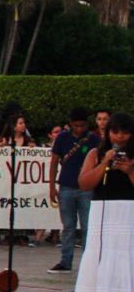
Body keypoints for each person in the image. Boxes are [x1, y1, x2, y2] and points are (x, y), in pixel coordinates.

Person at [74, 112, 134, 292]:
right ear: (108, 133)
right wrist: (105, 162)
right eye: (115, 131)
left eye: (125, 132)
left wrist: (129, 170)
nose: (120, 136)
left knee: (128, 262)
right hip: (104, 215)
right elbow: (85, 183)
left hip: (129, 214)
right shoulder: (95, 153)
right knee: (106, 266)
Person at [48, 108, 101, 274]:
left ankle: (88, 263)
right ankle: (65, 262)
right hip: (66, 187)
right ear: (71, 124)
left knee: (87, 227)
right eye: (76, 125)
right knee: (68, 227)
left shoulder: (94, 139)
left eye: (83, 125)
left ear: (87, 124)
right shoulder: (62, 138)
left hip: (87, 189)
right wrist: (51, 187)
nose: (79, 129)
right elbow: (54, 162)